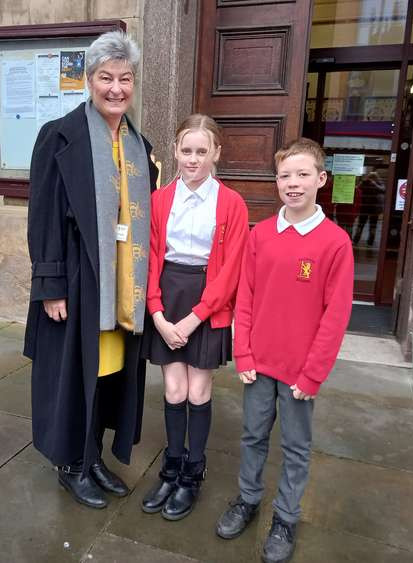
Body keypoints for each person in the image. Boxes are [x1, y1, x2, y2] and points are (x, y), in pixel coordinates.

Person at [24, 31, 158, 510]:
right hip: (80, 280)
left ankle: (94, 456)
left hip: (123, 282)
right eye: (106, 77)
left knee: (108, 373)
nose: (116, 88)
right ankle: (71, 465)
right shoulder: (59, 136)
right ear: (89, 80)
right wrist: (51, 284)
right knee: (73, 375)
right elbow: (42, 217)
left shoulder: (139, 144)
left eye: (125, 78)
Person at [215, 138, 354, 563]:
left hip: (298, 374)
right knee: (253, 436)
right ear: (276, 182)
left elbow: (335, 316)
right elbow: (247, 297)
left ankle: (287, 517)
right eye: (285, 176)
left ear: (321, 179)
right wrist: (245, 353)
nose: (293, 184)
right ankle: (248, 498)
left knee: (295, 447)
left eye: (303, 175)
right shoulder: (261, 235)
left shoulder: (334, 243)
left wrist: (313, 374)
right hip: (259, 366)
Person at [141, 114, 249, 520]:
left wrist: (194, 318)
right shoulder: (159, 200)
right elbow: (151, 258)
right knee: (172, 389)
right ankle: (171, 468)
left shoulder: (232, 204)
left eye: (202, 151)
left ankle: (193, 474)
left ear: (216, 153)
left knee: (197, 390)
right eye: (186, 150)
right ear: (174, 151)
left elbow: (230, 269)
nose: (193, 159)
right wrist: (156, 312)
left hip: (208, 300)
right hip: (168, 295)